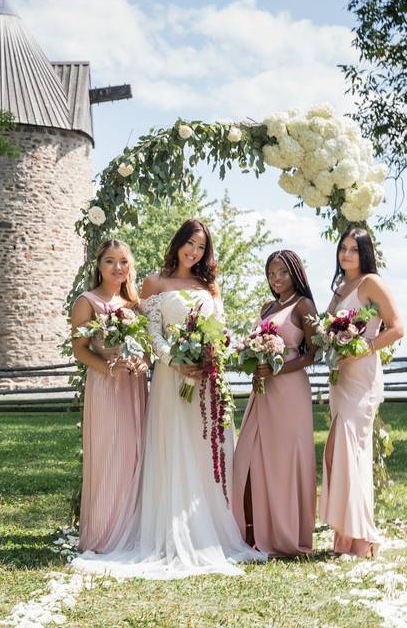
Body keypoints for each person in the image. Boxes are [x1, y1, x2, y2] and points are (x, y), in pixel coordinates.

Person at [72, 219, 265, 578]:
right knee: (173, 449)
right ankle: (166, 530)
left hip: (206, 380)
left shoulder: (210, 286)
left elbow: (219, 329)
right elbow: (152, 333)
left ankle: (208, 529)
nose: (194, 252)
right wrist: (175, 359)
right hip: (170, 380)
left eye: (201, 247)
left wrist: (208, 357)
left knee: (206, 449)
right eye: (189, 244)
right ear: (177, 243)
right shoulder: (153, 283)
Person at [320, 226, 404, 557]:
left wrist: (363, 347)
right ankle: (344, 535)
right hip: (340, 376)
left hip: (362, 375)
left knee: (351, 450)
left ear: (365, 253)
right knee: (338, 452)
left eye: (354, 249)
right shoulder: (341, 288)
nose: (347, 254)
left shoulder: (371, 283)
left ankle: (361, 537)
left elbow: (397, 327)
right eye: (343, 248)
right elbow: (327, 327)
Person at [232, 250, 318, 556]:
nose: (276, 278)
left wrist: (279, 367)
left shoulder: (303, 305)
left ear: (295, 272)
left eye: (282, 272)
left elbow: (313, 354)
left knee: (284, 461)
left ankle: (286, 534)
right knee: (248, 456)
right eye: (271, 273)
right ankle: (251, 530)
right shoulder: (267, 307)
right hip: (263, 391)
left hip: (290, 392)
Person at [70, 240, 148, 553]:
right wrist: (107, 368)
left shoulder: (135, 304)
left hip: (134, 387)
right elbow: (79, 349)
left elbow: (148, 350)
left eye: (124, 262)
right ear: (99, 266)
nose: (118, 268)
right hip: (106, 385)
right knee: (108, 455)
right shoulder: (87, 302)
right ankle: (103, 534)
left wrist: (143, 362)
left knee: (133, 454)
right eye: (110, 261)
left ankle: (130, 529)